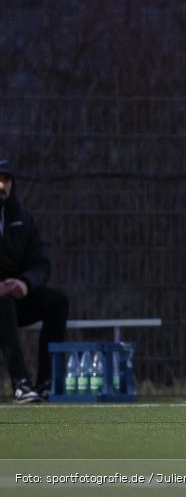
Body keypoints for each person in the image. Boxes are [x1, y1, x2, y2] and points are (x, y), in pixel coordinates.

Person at [0, 158, 69, 403]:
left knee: (56, 301)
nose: (1, 185)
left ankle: (45, 383)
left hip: (15, 298)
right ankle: (20, 382)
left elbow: (41, 262)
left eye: (6, 180)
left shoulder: (23, 220)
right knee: (3, 304)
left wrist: (25, 284)